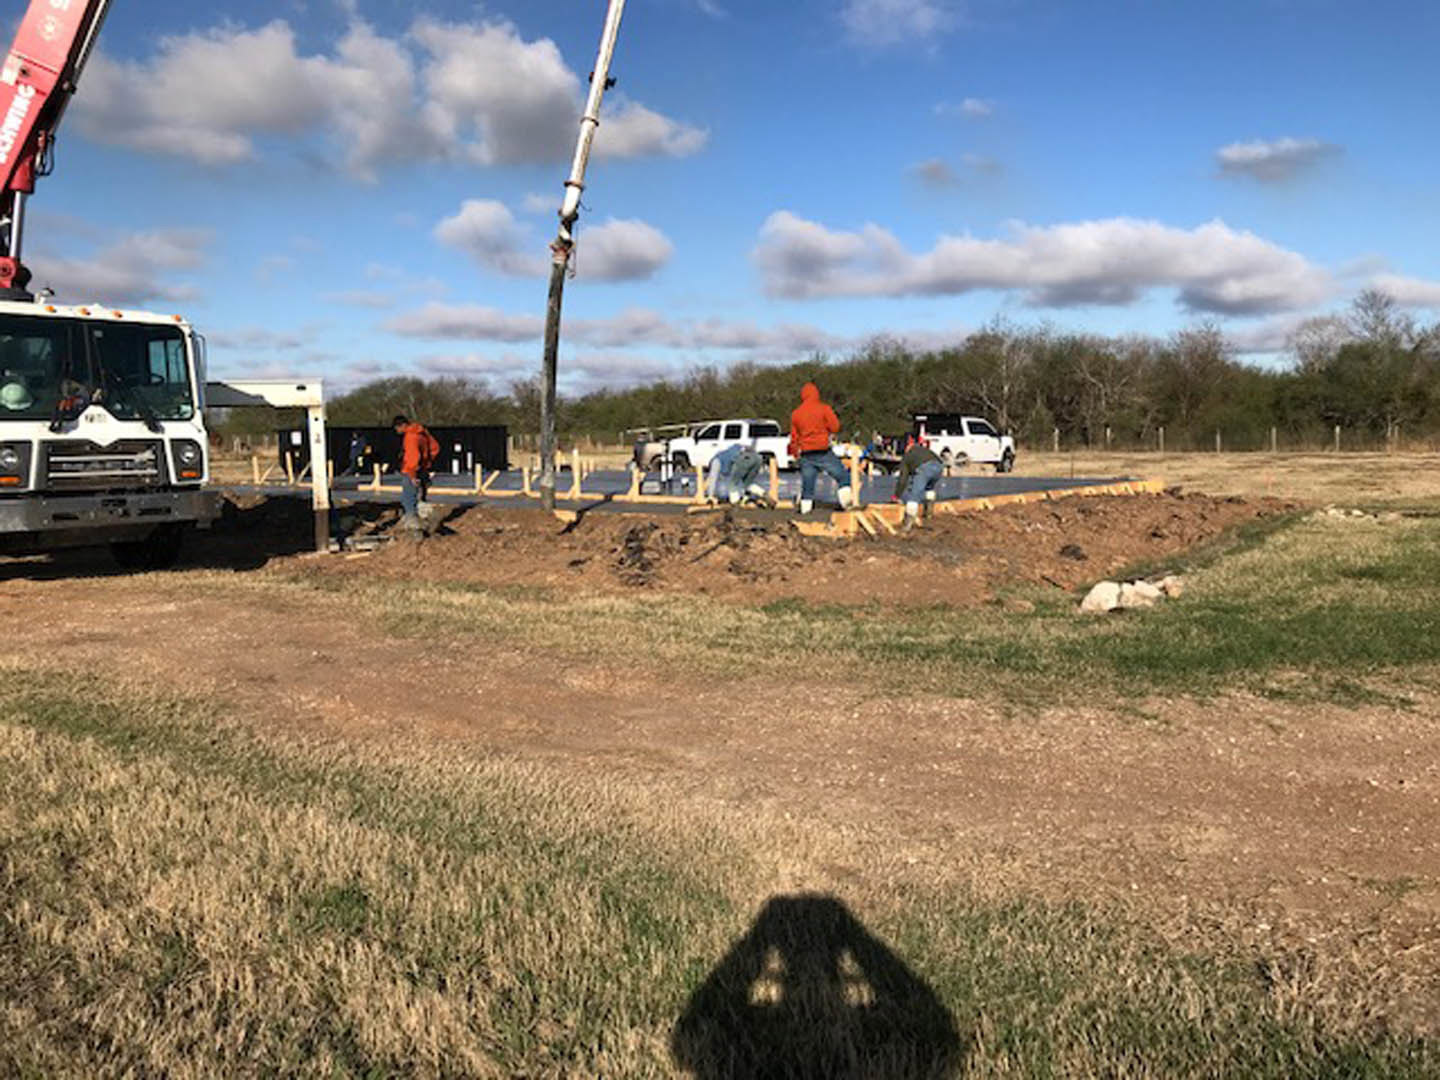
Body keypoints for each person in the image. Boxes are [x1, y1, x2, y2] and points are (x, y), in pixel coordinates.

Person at [787, 382, 853, 513]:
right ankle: (846, 503)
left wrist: (794, 453)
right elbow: (835, 427)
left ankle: (806, 510)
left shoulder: (796, 414)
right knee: (842, 476)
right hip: (822, 450)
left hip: (805, 453)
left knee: (808, 484)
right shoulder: (824, 408)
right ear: (816, 393)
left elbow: (794, 437)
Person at [393, 414, 440, 533]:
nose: (397, 431)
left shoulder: (410, 437)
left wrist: (412, 474)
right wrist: (427, 464)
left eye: (397, 428)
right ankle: (425, 519)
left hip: (411, 470)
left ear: (402, 425)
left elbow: (412, 458)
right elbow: (435, 448)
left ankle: (413, 525)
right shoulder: (422, 432)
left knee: (408, 498)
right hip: (423, 469)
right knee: (421, 496)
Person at [892, 435, 943, 530]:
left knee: (914, 494)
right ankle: (929, 512)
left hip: (924, 468)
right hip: (939, 467)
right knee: (929, 488)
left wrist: (896, 495)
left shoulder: (907, 456)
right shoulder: (922, 449)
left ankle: (907, 524)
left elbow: (903, 479)